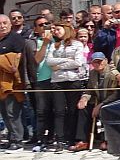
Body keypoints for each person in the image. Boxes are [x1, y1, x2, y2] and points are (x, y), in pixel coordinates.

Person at [46, 22, 88, 152]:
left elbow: (78, 62)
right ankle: (59, 138)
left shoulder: (77, 44)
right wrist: (67, 62)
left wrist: (58, 66)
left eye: (58, 29)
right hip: (57, 81)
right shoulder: (54, 45)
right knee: (59, 111)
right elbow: (49, 61)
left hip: (73, 80)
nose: (55, 32)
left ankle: (71, 137)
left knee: (72, 110)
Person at [24, 16, 53, 150]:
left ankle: (54, 136)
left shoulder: (57, 39)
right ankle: (41, 138)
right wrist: (45, 43)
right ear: (35, 28)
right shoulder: (31, 43)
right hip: (40, 81)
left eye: (47, 23)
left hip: (56, 80)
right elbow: (36, 60)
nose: (44, 26)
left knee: (56, 110)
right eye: (41, 25)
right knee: (41, 111)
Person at [0, 14, 26, 150]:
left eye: (5, 23)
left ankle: (18, 139)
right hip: (0, 84)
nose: (2, 26)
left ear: (10, 25)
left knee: (13, 112)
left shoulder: (16, 39)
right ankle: (11, 137)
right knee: (4, 112)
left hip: (12, 83)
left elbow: (15, 61)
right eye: (0, 23)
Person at [80, 52, 115, 151]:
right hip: (98, 100)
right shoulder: (93, 73)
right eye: (95, 62)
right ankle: (83, 140)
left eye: (100, 61)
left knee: (106, 110)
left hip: (110, 100)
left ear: (106, 61)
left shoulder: (112, 73)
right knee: (83, 108)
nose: (97, 64)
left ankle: (107, 140)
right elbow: (90, 89)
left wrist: (101, 105)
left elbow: (115, 93)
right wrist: (84, 98)